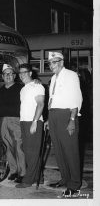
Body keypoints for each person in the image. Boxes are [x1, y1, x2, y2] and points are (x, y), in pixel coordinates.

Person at [46, 52, 83, 197]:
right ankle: (65, 178)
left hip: (66, 115)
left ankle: (74, 184)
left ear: (61, 62)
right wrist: (50, 118)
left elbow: (76, 98)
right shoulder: (54, 78)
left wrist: (72, 120)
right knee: (59, 151)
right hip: (54, 115)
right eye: (50, 63)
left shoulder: (71, 75)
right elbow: (54, 99)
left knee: (70, 150)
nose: (51, 65)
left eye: (54, 62)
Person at [0, 64, 26, 183]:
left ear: (14, 76)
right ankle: (13, 171)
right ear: (2, 76)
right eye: (5, 74)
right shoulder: (0, 90)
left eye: (10, 73)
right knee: (7, 146)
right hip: (3, 120)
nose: (8, 76)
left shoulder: (21, 88)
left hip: (16, 120)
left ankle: (23, 173)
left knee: (19, 146)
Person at [15, 63, 45, 188]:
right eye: (20, 73)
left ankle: (28, 180)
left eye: (24, 72)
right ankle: (39, 176)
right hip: (24, 121)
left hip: (33, 122)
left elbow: (40, 104)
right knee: (29, 151)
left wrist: (34, 122)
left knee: (31, 152)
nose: (22, 75)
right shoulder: (23, 89)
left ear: (30, 73)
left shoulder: (37, 86)